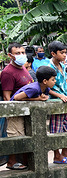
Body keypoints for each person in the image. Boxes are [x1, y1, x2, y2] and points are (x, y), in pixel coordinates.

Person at [1, 42, 34, 170]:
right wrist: (12, 113)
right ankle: (12, 161)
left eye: (22, 52)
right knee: (15, 135)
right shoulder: (8, 72)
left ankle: (23, 160)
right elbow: (6, 96)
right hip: (16, 110)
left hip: (27, 109)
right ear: (10, 55)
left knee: (24, 136)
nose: (21, 55)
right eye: (17, 53)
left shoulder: (23, 68)